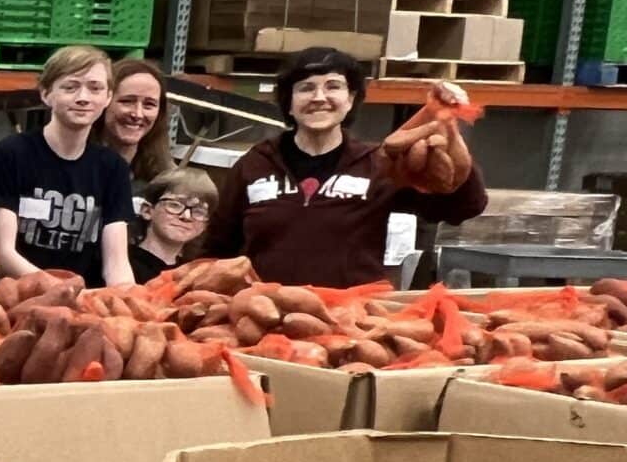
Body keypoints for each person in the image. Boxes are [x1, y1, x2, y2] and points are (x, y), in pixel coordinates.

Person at [205, 48, 489, 288]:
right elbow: (217, 248)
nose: (319, 97)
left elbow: (463, 208)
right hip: (268, 316)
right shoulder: (254, 165)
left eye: (333, 86)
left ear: (350, 100)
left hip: (353, 322)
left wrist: (448, 129)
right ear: (289, 104)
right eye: (305, 88)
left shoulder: (378, 163)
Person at [0, 46, 136, 288]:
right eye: (70, 87)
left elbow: (117, 263)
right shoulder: (11, 154)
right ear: (46, 93)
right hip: (17, 293)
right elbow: (2, 253)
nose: (83, 97)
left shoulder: (112, 168)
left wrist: (127, 299)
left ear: (108, 97)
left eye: (95, 88)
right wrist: (61, 290)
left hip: (81, 300)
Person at [103, 57, 174, 226]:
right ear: (104, 101)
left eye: (149, 105)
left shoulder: (165, 180)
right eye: (127, 101)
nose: (138, 114)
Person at [131, 166, 217, 283]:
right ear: (147, 210)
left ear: (204, 225)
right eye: (174, 205)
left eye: (199, 211)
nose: (186, 216)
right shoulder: (120, 262)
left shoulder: (195, 277)